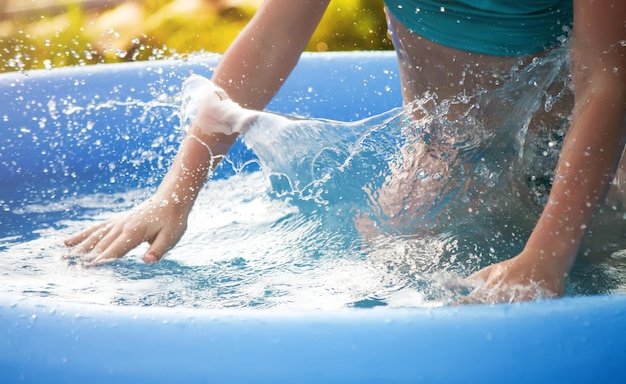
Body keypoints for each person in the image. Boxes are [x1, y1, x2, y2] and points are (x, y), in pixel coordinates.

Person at [64, 0, 626, 304]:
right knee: (396, 298)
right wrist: (175, 196)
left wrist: (548, 255)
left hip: (575, 190)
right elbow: (269, 38)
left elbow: (606, 82)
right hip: (439, 174)